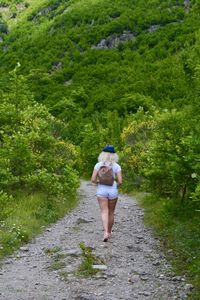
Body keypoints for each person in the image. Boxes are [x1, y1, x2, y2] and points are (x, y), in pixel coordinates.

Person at [91, 145, 122, 242]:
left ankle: (105, 232)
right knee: (111, 212)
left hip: (101, 190)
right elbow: (120, 181)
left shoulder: (98, 165)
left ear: (102, 154)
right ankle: (109, 231)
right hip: (113, 190)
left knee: (104, 211)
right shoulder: (116, 166)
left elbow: (93, 179)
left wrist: (100, 183)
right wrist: (116, 186)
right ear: (114, 155)